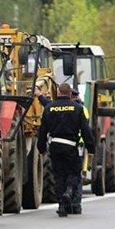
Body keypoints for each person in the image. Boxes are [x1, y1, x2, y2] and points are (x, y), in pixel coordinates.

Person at [37, 83, 95, 217]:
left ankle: (62, 207)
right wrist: (91, 147)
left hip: (55, 146)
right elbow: (85, 130)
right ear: (70, 94)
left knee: (58, 175)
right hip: (71, 146)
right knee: (74, 172)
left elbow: (43, 131)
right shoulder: (78, 108)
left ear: (58, 92)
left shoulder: (49, 108)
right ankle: (69, 191)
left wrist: (41, 148)